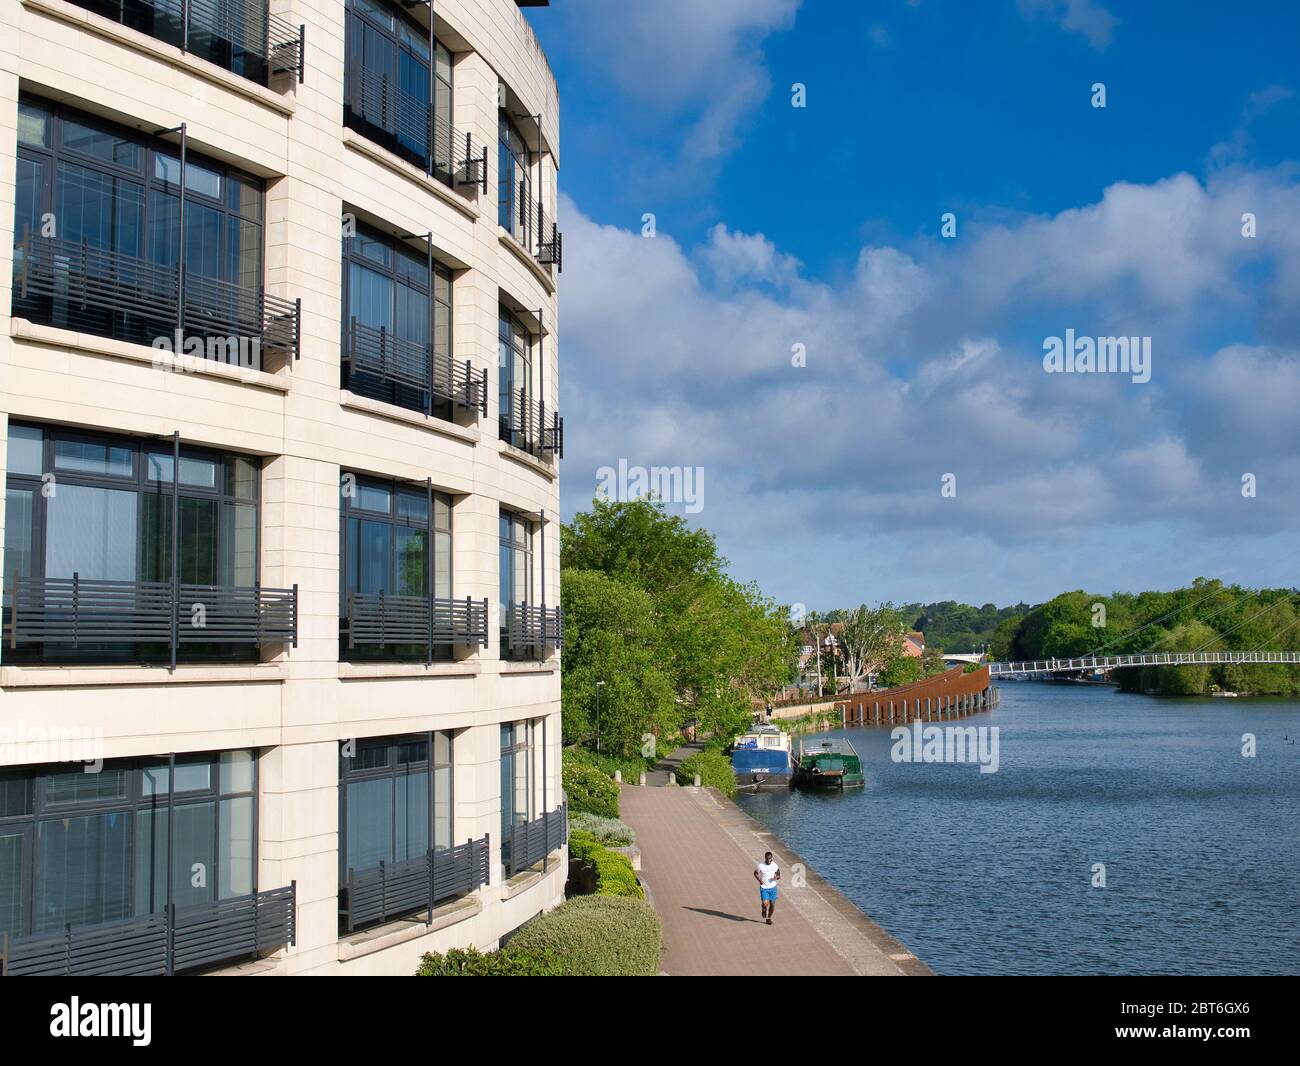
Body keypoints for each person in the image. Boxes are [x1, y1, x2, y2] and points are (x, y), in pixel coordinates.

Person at [753, 851, 781, 925]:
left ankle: (768, 918)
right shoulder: (761, 865)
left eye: (770, 858)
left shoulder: (775, 865)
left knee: (772, 904)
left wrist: (776, 877)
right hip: (764, 887)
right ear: (765, 858)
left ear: (772, 858)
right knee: (765, 904)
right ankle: (764, 909)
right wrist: (759, 880)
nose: (769, 860)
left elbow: (779, 874)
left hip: (773, 888)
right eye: (767, 859)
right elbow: (755, 873)